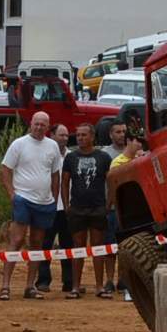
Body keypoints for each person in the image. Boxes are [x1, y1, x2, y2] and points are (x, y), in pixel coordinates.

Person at [0, 111, 61, 300]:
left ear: (48, 126)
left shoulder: (53, 146)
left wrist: (54, 197)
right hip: (23, 198)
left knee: (36, 243)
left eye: (43, 124)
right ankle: (5, 286)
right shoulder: (19, 144)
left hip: (44, 202)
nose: (39, 127)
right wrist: (12, 194)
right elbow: (6, 169)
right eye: (36, 123)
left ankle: (30, 286)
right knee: (16, 240)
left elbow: (55, 174)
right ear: (31, 124)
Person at [62, 123, 113, 299]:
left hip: (98, 207)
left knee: (98, 247)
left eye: (84, 135)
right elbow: (65, 181)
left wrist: (109, 204)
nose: (80, 138)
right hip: (77, 207)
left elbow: (111, 181)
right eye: (78, 135)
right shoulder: (71, 158)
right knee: (78, 247)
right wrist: (66, 204)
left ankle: (99, 286)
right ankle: (76, 286)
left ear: (92, 136)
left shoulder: (104, 157)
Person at [35, 124, 74, 293]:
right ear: (52, 135)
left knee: (68, 246)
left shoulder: (72, 157)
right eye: (61, 135)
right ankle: (43, 280)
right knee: (45, 245)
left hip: (67, 208)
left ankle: (69, 281)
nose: (64, 138)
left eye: (66, 135)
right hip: (48, 206)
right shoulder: (45, 153)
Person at [102, 119, 127, 293]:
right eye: (117, 132)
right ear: (111, 134)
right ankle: (109, 279)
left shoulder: (133, 152)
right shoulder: (105, 154)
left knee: (125, 247)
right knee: (109, 247)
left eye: (124, 131)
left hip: (127, 209)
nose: (121, 135)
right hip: (109, 208)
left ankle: (123, 279)